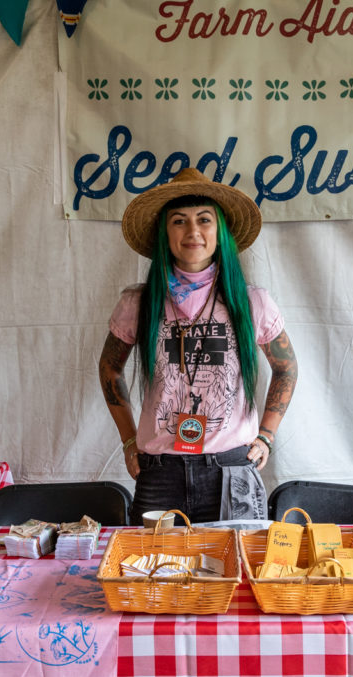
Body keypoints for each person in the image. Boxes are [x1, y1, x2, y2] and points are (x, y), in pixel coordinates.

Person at [99, 168, 298, 524]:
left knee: (234, 575)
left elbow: (286, 366)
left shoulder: (252, 302)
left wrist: (266, 435)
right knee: (154, 575)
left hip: (231, 471)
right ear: (166, 233)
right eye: (179, 221)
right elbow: (109, 367)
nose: (193, 231)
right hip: (159, 474)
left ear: (219, 230)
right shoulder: (138, 304)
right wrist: (129, 440)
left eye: (204, 219)